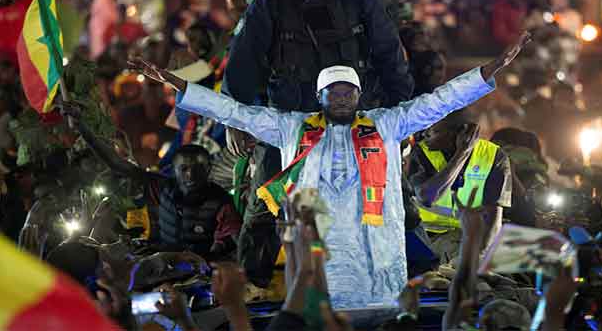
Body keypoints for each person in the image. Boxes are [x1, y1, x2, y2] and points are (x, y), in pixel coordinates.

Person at [129, 31, 531, 308]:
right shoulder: (291, 128)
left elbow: (438, 102)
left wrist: (488, 70)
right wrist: (176, 85)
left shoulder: (387, 125)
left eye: (348, 92)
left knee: (382, 316)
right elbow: (235, 112)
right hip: (319, 254)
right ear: (319, 96)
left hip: (377, 253)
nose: (341, 98)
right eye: (333, 92)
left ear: (358, 95)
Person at [222, 0, 414, 288]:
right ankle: (252, 283)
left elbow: (390, 57)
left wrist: (401, 115)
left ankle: (405, 275)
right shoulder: (271, 2)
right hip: (291, 122)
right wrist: (236, 117)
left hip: (355, 119)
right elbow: (243, 62)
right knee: (267, 200)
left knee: (388, 196)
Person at [61, 104, 242, 262]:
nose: (190, 175)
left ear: (209, 169)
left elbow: (233, 245)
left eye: (197, 169)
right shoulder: (162, 188)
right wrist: (82, 127)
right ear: (174, 170)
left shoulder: (221, 202)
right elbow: (116, 164)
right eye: (184, 169)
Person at [409, 111, 512, 263]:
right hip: (427, 236)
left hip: (470, 237)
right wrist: (462, 153)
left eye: (433, 130)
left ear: (462, 133)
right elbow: (427, 197)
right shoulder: (421, 152)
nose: (425, 134)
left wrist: (480, 257)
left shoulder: (494, 156)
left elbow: (493, 219)